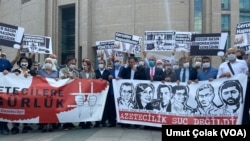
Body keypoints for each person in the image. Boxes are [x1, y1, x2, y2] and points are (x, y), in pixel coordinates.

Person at [37, 58, 59, 132]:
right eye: (46, 62)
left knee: (52, 108)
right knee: (43, 109)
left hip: (53, 93)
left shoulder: (56, 72)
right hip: (42, 93)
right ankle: (44, 124)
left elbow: (59, 81)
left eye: (50, 62)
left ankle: (51, 124)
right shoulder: (40, 72)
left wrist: (57, 79)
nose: (48, 63)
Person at [78, 59, 96, 129]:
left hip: (90, 92)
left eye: (85, 65)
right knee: (82, 106)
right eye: (83, 65)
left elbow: (95, 82)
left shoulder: (93, 74)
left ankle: (88, 121)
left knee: (89, 106)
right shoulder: (81, 73)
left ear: (89, 66)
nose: (84, 66)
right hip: (83, 91)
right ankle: (82, 122)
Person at [94, 59, 111, 128]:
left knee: (105, 107)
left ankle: (103, 121)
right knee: (97, 106)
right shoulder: (96, 72)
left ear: (104, 64)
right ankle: (97, 122)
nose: (101, 64)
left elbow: (109, 80)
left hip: (105, 92)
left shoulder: (107, 72)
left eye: (102, 63)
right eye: (99, 63)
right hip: (97, 92)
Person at [0, 50, 12, 135]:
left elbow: (12, 76)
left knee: (2, 107)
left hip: (2, 90)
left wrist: (8, 72)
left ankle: (4, 127)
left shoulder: (5, 62)